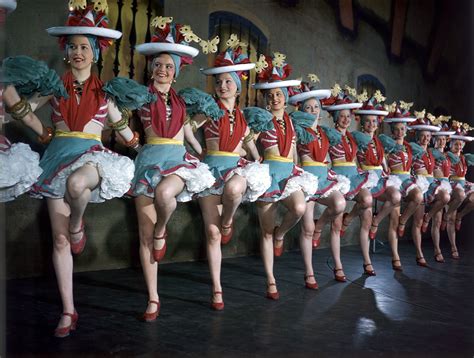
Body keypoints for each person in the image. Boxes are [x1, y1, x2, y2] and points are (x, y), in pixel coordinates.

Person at [3, 2, 149, 337]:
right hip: (56, 157)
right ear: (66, 53)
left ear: (95, 54)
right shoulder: (54, 88)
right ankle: (69, 310)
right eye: (73, 47)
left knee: (78, 184)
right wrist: (8, 97)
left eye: (85, 47)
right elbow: (24, 113)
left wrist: (146, 149)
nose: (78, 52)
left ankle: (78, 224)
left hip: (91, 156)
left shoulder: (106, 94)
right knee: (58, 240)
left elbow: (127, 135)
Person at [131, 17, 215, 321]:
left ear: (176, 72)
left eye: (168, 66)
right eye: (158, 65)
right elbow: (120, 127)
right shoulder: (139, 95)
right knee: (144, 233)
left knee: (165, 193)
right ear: (151, 68)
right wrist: (128, 139)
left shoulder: (184, 101)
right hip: (148, 159)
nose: (162, 70)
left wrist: (204, 150)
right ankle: (153, 298)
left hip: (177, 160)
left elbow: (188, 134)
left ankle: (163, 230)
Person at [190, 35, 270, 309]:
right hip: (210, 167)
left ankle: (228, 220)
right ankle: (217, 288)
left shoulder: (245, 117)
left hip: (234, 167)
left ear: (237, 89)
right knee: (211, 234)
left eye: (228, 82)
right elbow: (187, 128)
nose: (223, 86)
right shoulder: (209, 110)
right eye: (219, 82)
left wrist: (258, 161)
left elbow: (249, 143)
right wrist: (195, 149)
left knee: (235, 189)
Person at [245, 52, 317, 299]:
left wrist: (298, 170)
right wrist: (255, 157)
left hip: (288, 172)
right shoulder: (261, 119)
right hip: (268, 175)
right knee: (265, 230)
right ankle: (271, 280)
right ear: (266, 99)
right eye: (271, 95)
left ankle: (281, 234)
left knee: (298, 208)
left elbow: (295, 149)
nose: (275, 98)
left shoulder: (292, 121)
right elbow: (247, 140)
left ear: (285, 98)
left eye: (279, 94)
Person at [289, 76, 348, 285]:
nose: (313, 110)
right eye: (308, 107)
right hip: (306, 179)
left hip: (323, 178)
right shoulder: (297, 130)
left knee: (340, 204)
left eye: (316, 107)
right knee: (306, 229)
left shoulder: (325, 133)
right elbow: (293, 154)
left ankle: (320, 225)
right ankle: (309, 272)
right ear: (302, 110)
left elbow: (335, 157)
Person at [323, 84, 378, 277]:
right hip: (338, 176)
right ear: (336, 118)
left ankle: (367, 259)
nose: (345, 119)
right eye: (342, 116)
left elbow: (357, 157)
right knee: (336, 224)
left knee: (367, 202)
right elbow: (322, 154)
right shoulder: (329, 134)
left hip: (354, 175)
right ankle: (338, 265)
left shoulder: (354, 137)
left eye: (348, 116)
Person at [352, 91, 403, 269]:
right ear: (362, 123)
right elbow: (354, 159)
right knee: (364, 220)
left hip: (379, 178)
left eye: (374, 121)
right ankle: (367, 261)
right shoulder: (357, 138)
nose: (371, 124)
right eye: (368, 121)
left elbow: (382, 160)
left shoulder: (379, 141)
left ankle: (377, 220)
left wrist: (385, 168)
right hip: (364, 178)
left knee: (396, 197)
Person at [379, 102, 427, 268]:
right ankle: (395, 256)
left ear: (406, 131)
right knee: (393, 220)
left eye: (403, 129)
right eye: (397, 129)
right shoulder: (388, 147)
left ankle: (403, 221)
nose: (400, 132)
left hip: (407, 180)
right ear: (392, 131)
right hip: (394, 181)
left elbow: (414, 165)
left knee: (418, 196)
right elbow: (382, 164)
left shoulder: (410, 147)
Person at [430, 117, 457, 262]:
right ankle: (437, 249)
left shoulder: (448, 156)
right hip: (435, 187)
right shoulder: (431, 154)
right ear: (435, 140)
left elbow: (451, 173)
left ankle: (453, 247)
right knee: (437, 219)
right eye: (439, 139)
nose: (442, 142)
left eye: (444, 140)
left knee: (451, 217)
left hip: (447, 185)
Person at [446, 120, 474, 258]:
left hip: (463, 183)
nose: (458, 147)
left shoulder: (465, 158)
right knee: (450, 218)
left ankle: (460, 216)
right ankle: (453, 247)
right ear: (450, 144)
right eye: (455, 144)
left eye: (460, 144)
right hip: (451, 185)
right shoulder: (446, 156)